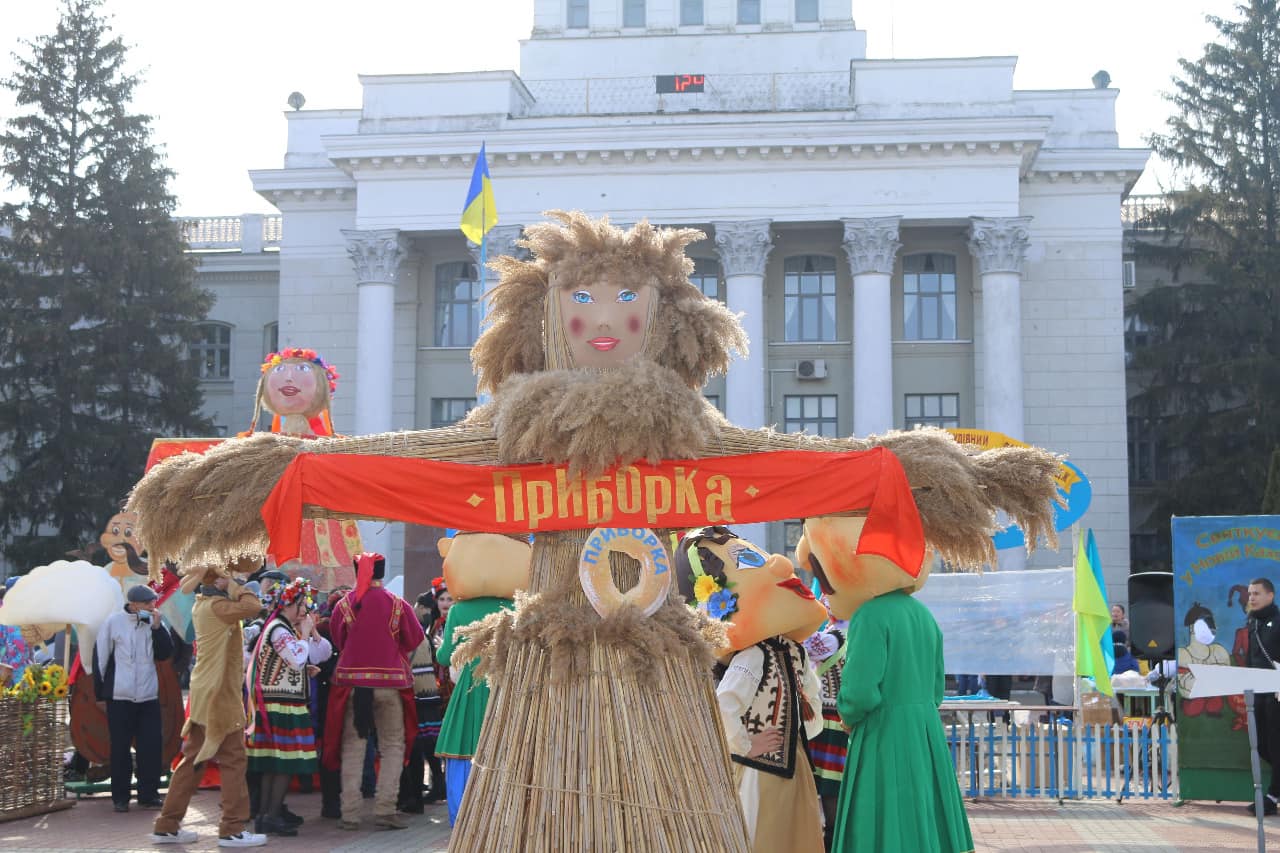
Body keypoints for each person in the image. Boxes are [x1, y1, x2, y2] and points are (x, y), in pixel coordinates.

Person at [676, 526, 828, 852]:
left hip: (794, 764)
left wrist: (797, 725)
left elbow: (811, 706)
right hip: (762, 771)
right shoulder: (754, 654)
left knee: (798, 837)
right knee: (765, 837)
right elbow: (724, 704)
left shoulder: (792, 650)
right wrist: (747, 747)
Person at [150, 566, 267, 848]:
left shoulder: (203, 604)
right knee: (234, 759)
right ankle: (232, 829)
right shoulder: (219, 606)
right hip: (220, 694)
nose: (237, 580)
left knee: (193, 760)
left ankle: (167, 825)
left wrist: (227, 584)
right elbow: (254, 605)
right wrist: (235, 587)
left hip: (205, 691)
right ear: (219, 582)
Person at [433, 533, 530, 826]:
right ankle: (504, 819)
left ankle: (465, 819)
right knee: (508, 749)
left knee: (465, 747)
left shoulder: (460, 610)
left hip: (471, 689)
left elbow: (445, 656)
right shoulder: (518, 606)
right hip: (508, 688)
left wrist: (444, 648)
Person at [324, 553, 424, 832]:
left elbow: (338, 638)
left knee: (353, 748)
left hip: (352, 684)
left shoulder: (345, 603)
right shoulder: (397, 604)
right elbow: (414, 638)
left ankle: (350, 814)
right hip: (390, 685)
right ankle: (385, 809)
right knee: (392, 746)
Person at [246, 578, 331, 836]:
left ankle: (267, 815)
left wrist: (312, 634)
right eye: (301, 604)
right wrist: (304, 636)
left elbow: (322, 653)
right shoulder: (278, 629)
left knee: (277, 763)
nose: (305, 610)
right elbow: (296, 658)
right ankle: (268, 815)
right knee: (281, 763)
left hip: (284, 702)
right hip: (278, 704)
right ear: (289, 605)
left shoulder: (286, 628)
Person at [95, 584, 173, 813]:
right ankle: (120, 797)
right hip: (120, 696)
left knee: (151, 747)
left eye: (153, 602)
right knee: (119, 748)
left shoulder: (155, 622)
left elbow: (165, 653)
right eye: (148, 603)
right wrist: (101, 693)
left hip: (148, 695)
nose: (153, 606)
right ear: (134, 604)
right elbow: (101, 657)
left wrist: (158, 628)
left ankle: (148, 795)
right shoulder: (113, 622)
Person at [398, 591, 444, 813]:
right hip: (427, 695)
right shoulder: (423, 634)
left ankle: (416, 794)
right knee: (428, 745)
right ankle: (435, 786)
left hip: (416, 697)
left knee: (419, 746)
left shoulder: (410, 635)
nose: (425, 613)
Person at [1246, 577, 1280, 816]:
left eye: (1256, 593)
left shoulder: (1278, 622)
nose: (1251, 598)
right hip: (1257, 692)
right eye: (1249, 594)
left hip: (1277, 693)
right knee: (1262, 747)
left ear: (1270, 595)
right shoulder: (1252, 624)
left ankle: (1272, 795)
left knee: (1276, 745)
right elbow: (1252, 659)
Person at [0, 578, 32, 687]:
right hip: (5, 674)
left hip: (24, 676)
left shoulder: (28, 616)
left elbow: (30, 648)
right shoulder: (2, 616)